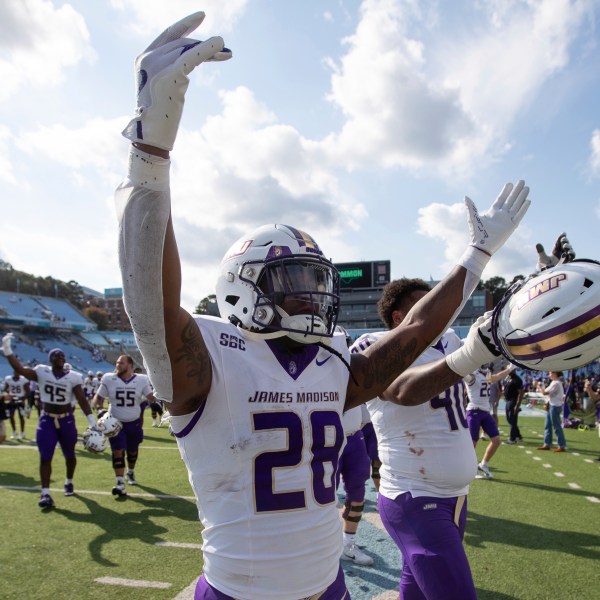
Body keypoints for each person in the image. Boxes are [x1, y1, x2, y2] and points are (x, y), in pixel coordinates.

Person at [115, 12, 529, 599]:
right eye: (293, 280)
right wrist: (151, 149)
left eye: (316, 279)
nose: (312, 294)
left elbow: (415, 328)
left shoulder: (333, 362)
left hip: (329, 586)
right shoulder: (212, 357)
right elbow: (150, 302)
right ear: (244, 287)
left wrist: (478, 254)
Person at [352, 278, 488, 600]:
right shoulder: (372, 345)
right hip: (414, 495)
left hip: (455, 496)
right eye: (426, 306)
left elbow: (476, 371)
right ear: (400, 317)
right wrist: (471, 354)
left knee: (414, 592)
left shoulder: (451, 339)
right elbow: (402, 390)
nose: (438, 314)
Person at [0, 338, 97, 508]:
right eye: (57, 355)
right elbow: (20, 370)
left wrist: (92, 421)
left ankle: (69, 481)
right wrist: (7, 351)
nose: (60, 357)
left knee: (70, 456)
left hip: (66, 419)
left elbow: (82, 400)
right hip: (47, 419)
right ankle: (45, 493)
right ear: (51, 359)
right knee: (45, 457)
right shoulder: (41, 372)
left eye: (62, 355)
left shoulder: (74, 377)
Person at [92, 355, 155, 496]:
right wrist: (99, 409)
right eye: (117, 362)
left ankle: (130, 472)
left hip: (134, 423)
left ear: (130, 365)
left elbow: (150, 396)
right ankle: (120, 483)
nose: (118, 365)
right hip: (115, 423)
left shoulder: (141, 379)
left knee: (132, 451)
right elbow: (98, 398)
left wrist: (159, 400)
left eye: (121, 363)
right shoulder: (109, 378)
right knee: (118, 451)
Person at [337, 405, 374, 566]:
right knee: (322, 496)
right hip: (326, 436)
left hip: (354, 435)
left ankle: (348, 543)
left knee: (358, 492)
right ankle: (320, 543)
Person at [465, 364, 513, 478]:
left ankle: (483, 464)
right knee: (473, 442)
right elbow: (463, 375)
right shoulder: (472, 375)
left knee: (496, 440)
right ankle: (471, 468)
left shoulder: (487, 375)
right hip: (474, 411)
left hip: (485, 411)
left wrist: (510, 369)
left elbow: (498, 376)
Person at [537, 371, 567, 452]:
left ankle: (561, 445)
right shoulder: (554, 382)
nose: (549, 374)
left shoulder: (556, 383)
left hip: (555, 406)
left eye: (550, 373)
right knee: (548, 425)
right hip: (552, 405)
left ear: (555, 374)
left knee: (556, 426)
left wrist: (539, 386)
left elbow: (544, 392)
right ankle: (547, 444)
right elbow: (547, 394)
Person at [3, 369, 30, 439]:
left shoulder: (23, 379)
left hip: (20, 399)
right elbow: (5, 389)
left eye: (18, 372)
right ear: (13, 372)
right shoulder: (9, 379)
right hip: (12, 400)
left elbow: (28, 391)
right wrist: (9, 395)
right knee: (11, 416)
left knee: (21, 416)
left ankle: (22, 433)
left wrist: (23, 399)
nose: (16, 373)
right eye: (15, 372)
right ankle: (14, 432)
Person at [502, 369, 524, 445]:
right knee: (509, 420)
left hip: (513, 401)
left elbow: (521, 393)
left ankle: (512, 439)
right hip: (507, 401)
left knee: (512, 420)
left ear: (514, 370)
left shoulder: (517, 380)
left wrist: (517, 405)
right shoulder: (508, 378)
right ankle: (518, 435)